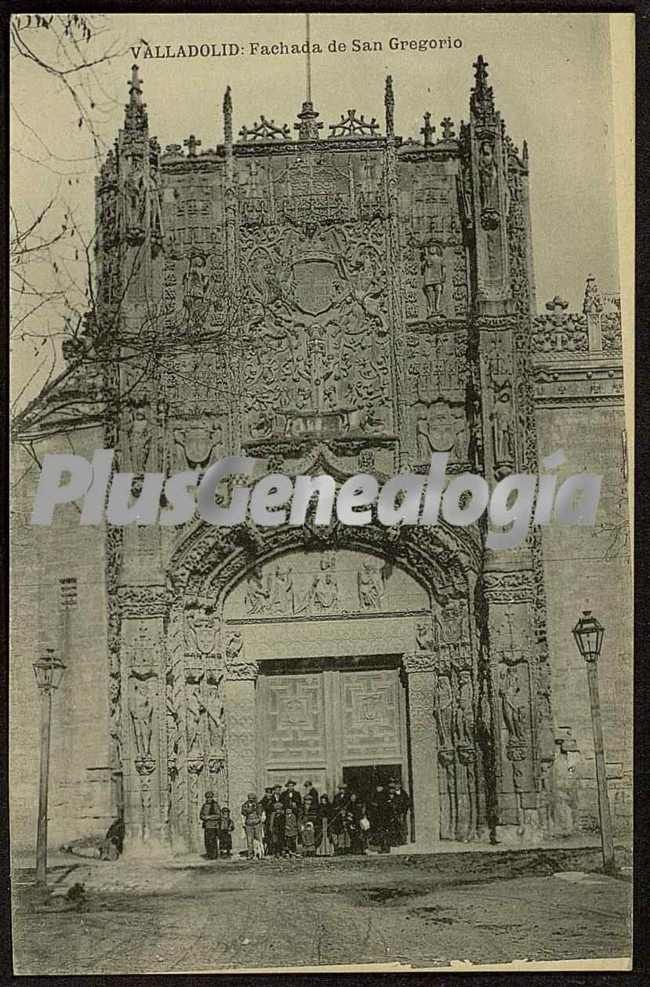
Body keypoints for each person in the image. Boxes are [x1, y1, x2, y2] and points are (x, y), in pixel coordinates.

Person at [240, 792, 263, 859]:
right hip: (248, 824)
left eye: (253, 798)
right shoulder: (244, 805)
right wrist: (243, 824)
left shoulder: (258, 805)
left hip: (257, 823)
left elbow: (261, 814)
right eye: (250, 798)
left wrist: (259, 820)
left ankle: (260, 853)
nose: (251, 799)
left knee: (259, 839)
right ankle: (250, 854)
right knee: (249, 840)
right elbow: (243, 815)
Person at [389, 778, 411, 846]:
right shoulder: (392, 793)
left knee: (402, 826)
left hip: (401, 813)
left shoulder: (403, 793)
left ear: (400, 785)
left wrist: (404, 811)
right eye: (395, 785)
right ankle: (395, 842)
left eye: (397, 785)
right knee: (394, 827)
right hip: (393, 813)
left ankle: (403, 841)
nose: (396, 786)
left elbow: (407, 802)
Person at [369, 783, 390, 853]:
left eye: (380, 787)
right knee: (379, 832)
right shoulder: (375, 795)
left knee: (384, 832)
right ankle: (380, 847)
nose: (378, 788)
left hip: (384, 816)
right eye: (378, 787)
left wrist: (379, 805)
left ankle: (386, 847)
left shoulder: (385, 795)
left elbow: (386, 805)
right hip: (377, 817)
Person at [200, 791, 221, 860]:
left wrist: (209, 817)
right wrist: (204, 817)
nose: (209, 799)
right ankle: (209, 854)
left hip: (213, 826)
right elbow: (201, 815)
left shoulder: (215, 805)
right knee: (207, 841)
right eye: (208, 797)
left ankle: (214, 855)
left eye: (210, 797)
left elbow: (218, 815)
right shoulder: (204, 805)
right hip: (207, 826)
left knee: (213, 840)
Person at [260, 786, 274, 853]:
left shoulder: (273, 800)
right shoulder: (263, 800)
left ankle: (271, 849)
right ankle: (265, 849)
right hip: (265, 820)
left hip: (272, 819)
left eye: (270, 793)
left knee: (272, 834)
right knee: (265, 834)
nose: (269, 795)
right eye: (268, 793)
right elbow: (260, 807)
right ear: (266, 794)